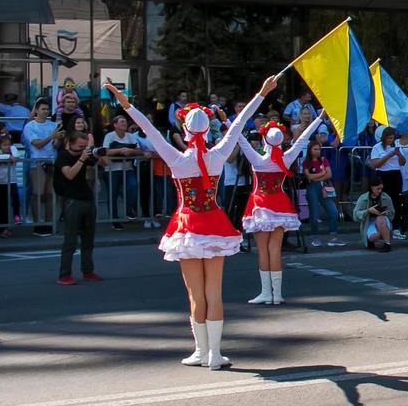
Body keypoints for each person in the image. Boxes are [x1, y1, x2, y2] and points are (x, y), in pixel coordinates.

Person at [108, 76, 276, 369]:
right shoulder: (219, 154)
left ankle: (202, 351)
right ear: (207, 128)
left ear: (184, 129)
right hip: (214, 223)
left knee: (195, 293)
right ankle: (214, 353)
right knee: (214, 292)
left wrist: (124, 103)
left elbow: (148, 128)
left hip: (187, 226)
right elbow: (239, 123)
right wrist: (261, 93)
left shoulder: (176, 158)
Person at [238, 113, 323, 304]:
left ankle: (266, 292)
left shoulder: (257, 158)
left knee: (263, 250)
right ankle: (276, 294)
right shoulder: (286, 157)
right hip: (279, 204)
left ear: (264, 138)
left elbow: (239, 138)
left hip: (260, 204)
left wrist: (227, 120)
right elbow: (302, 140)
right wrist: (318, 120)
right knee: (274, 249)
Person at [53, 128, 101, 284]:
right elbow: (70, 174)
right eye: (79, 146)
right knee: (70, 240)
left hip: (87, 198)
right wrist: (82, 158)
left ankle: (88, 271)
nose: (82, 149)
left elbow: (100, 160)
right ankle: (64, 274)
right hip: (72, 200)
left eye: (84, 147)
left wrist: (93, 151)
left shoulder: (84, 155)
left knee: (88, 239)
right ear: (70, 143)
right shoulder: (63, 157)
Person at [22, 99, 59, 234]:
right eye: (43, 109)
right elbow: (37, 144)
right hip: (37, 163)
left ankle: (48, 222)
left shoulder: (53, 125)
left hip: (51, 162)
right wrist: (52, 137)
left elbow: (55, 145)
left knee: (49, 194)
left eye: (47, 109)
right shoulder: (30, 126)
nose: (46, 112)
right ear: (36, 110)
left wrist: (58, 139)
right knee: (37, 194)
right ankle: (37, 224)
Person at [102, 113, 143, 230]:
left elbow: (139, 150)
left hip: (127, 168)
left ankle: (129, 210)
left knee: (133, 186)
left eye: (125, 122)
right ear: (115, 125)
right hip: (112, 169)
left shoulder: (130, 136)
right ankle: (114, 220)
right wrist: (120, 150)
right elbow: (105, 151)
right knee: (113, 194)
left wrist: (131, 152)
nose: (124, 124)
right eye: (121, 122)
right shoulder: (110, 136)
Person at [302, 139, 344, 246]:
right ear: (309, 150)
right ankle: (315, 237)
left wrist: (316, 177)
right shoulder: (306, 162)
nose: (317, 151)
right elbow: (308, 176)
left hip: (324, 187)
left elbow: (329, 174)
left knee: (333, 212)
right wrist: (321, 174)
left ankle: (333, 237)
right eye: (315, 149)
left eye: (319, 149)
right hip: (312, 189)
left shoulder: (323, 159)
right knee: (314, 214)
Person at [0, 131, 24, 235]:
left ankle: (17, 215)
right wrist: (8, 157)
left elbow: (17, 155)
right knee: (1, 204)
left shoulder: (13, 151)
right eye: (4, 145)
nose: (7, 147)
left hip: (11, 181)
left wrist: (12, 151)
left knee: (15, 199)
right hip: (0, 182)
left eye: (9, 144)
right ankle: (2, 226)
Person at [353, 175, 394, 251]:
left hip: (383, 220)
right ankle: (376, 237)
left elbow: (392, 213)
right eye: (377, 188)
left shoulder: (386, 197)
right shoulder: (363, 198)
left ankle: (387, 244)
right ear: (371, 187)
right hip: (370, 222)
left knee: (380, 218)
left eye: (381, 188)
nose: (380, 191)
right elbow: (355, 215)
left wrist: (385, 213)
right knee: (372, 237)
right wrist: (368, 211)